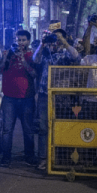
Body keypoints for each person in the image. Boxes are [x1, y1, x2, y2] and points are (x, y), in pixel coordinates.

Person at [33, 28, 80, 171]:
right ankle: (43, 159)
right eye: (54, 39)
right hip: (44, 94)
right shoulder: (46, 51)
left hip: (62, 95)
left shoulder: (66, 52)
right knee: (43, 128)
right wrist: (42, 44)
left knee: (62, 126)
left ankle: (62, 158)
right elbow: (35, 59)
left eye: (58, 39)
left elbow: (76, 57)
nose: (55, 42)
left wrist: (63, 41)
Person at [0, 29, 37, 166]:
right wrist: (5, 57)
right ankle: (6, 157)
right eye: (18, 40)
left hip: (27, 98)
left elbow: (34, 74)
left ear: (28, 41)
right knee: (7, 129)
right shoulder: (9, 54)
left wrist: (24, 62)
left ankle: (29, 156)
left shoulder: (32, 55)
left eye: (23, 40)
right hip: (9, 98)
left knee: (28, 130)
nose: (20, 43)